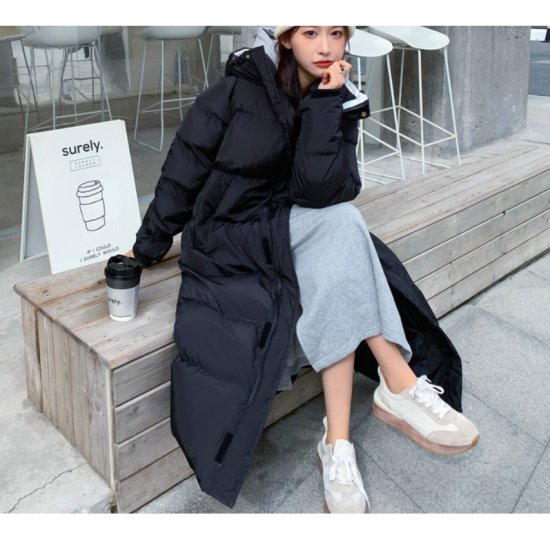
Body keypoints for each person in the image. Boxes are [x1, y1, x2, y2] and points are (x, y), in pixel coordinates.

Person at [128, 26, 480, 513]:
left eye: (336, 33)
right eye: (311, 32)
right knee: (341, 238)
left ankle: (339, 442)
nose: (326, 46)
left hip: (290, 227)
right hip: (229, 235)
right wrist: (146, 247)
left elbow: (325, 191)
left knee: (340, 231)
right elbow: (181, 173)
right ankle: (397, 383)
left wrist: (325, 107)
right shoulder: (232, 92)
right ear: (287, 38)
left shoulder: (341, 99)